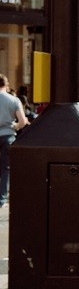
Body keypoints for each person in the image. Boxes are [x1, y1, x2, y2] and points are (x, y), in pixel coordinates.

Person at [0, 74, 28, 208]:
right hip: (8, 136)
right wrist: (14, 126)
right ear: (6, 85)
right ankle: (2, 198)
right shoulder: (14, 100)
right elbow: (22, 121)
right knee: (6, 168)